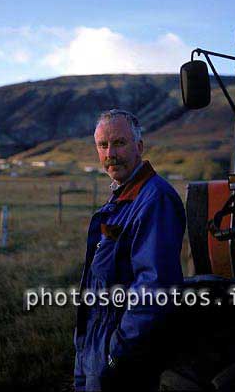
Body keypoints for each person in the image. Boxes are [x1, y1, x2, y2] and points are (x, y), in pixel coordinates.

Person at [73, 109, 186, 391]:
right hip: (97, 347)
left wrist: (114, 356)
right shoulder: (122, 198)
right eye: (103, 145)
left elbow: (154, 289)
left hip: (125, 359)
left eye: (119, 143)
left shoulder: (154, 198)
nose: (110, 153)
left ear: (139, 147)